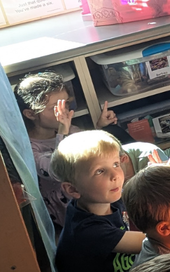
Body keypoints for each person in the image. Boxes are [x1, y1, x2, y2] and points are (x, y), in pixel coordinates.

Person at [50, 131, 145, 272]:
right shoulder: (88, 231)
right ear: (73, 189)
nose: (115, 175)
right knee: (167, 257)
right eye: (100, 171)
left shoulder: (102, 199)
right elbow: (150, 241)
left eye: (116, 164)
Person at [16, 70, 132, 234]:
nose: (65, 113)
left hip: (97, 191)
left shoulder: (71, 129)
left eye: (66, 104)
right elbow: (57, 171)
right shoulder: (31, 148)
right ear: (30, 114)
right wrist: (63, 130)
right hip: (72, 207)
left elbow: (90, 152)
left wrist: (99, 126)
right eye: (55, 108)